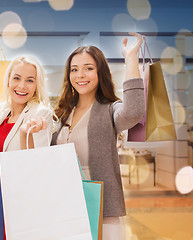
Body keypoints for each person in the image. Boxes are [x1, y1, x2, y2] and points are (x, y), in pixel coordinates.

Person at [52, 33, 145, 239]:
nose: (80, 75)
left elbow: (135, 111)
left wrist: (130, 57)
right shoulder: (62, 112)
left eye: (88, 68)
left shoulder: (110, 110)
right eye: (74, 70)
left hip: (100, 204)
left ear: (100, 72)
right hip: (65, 202)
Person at [0, 32, 53, 172]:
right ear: (9, 80)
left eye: (30, 80)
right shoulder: (2, 110)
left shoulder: (40, 114)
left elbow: (41, 163)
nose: (22, 86)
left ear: (36, 86)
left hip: (20, 188)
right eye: (17, 78)